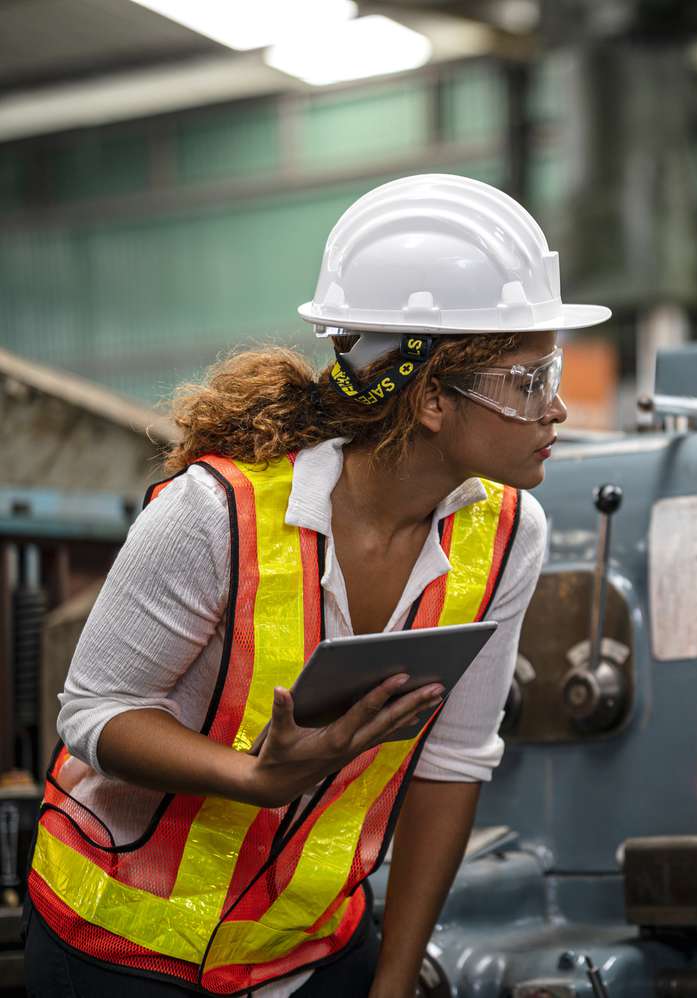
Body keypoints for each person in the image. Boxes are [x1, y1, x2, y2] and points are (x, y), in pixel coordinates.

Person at [25, 174, 610, 997]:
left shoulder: (509, 533)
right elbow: (93, 712)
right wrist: (255, 779)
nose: (556, 411)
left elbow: (452, 764)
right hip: (117, 947)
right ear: (434, 397)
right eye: (527, 381)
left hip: (309, 954)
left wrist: (393, 984)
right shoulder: (216, 513)